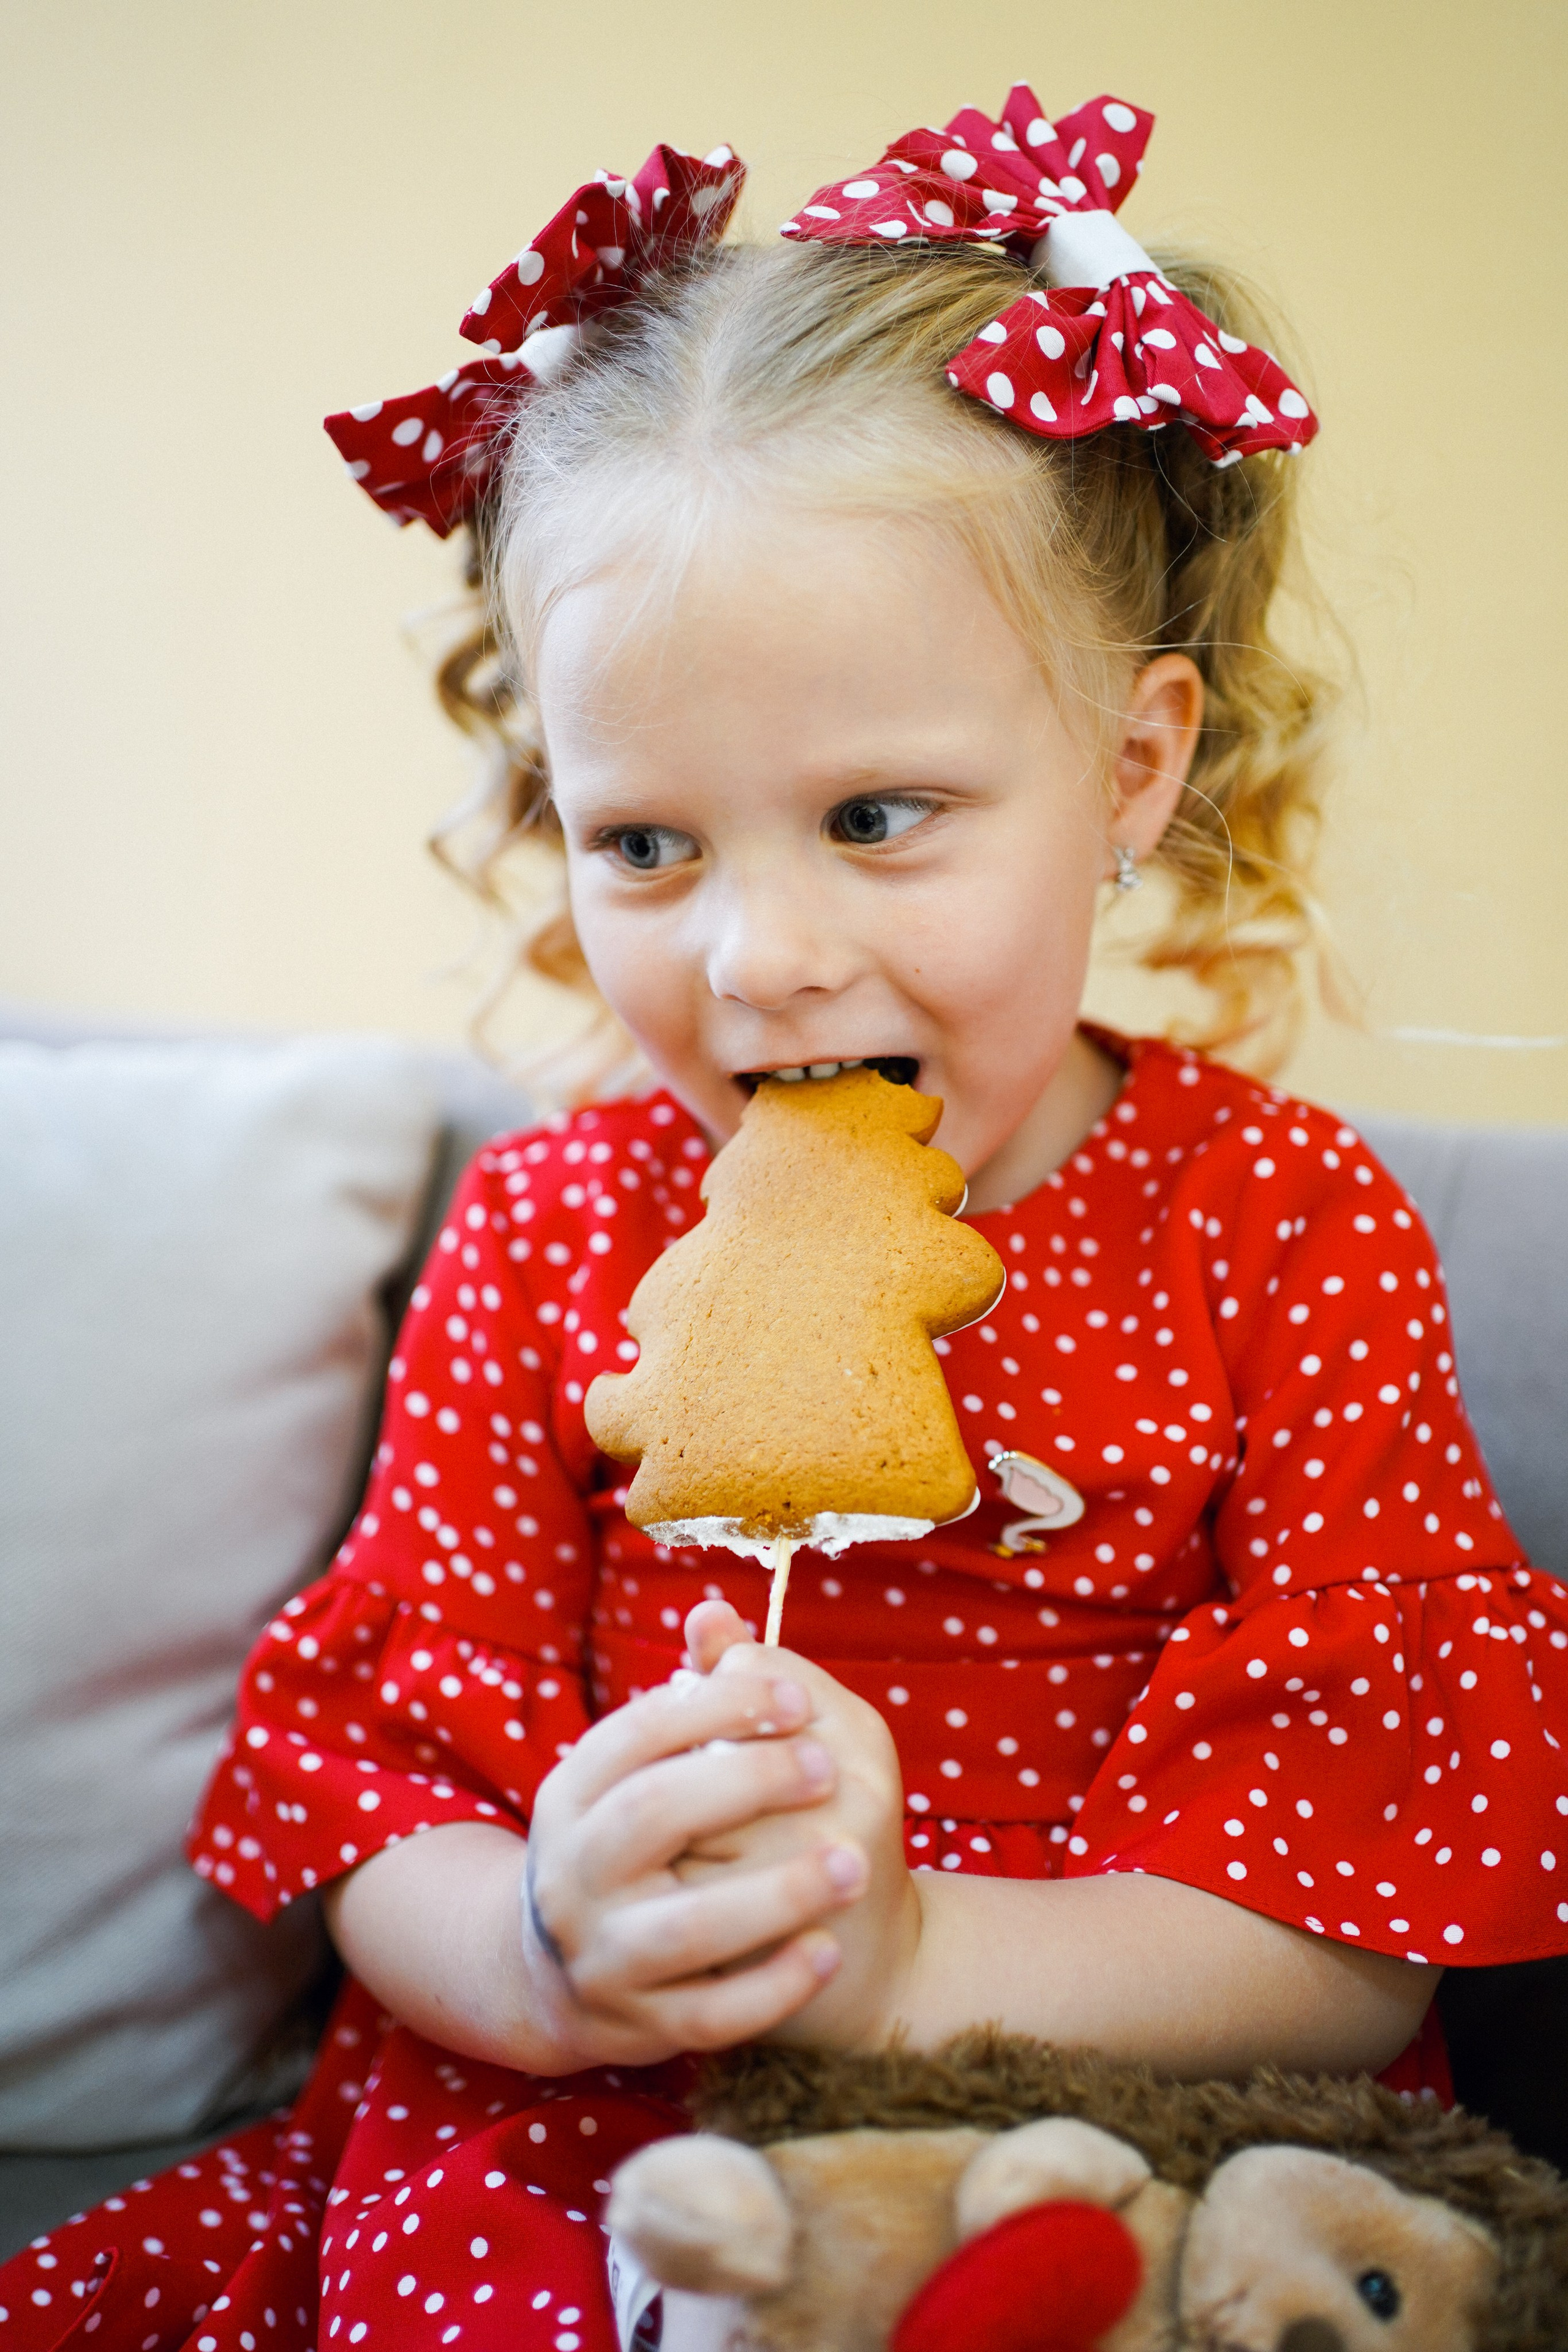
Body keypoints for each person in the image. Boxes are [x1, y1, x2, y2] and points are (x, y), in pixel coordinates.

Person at [7, 82, 1565, 2352]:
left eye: (878, 813)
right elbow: (373, 1804)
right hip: (600, 2120)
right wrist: (542, 1949)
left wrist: (913, 1960)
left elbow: (1363, 1914)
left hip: (1129, 2105)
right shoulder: (552, 1236)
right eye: (645, 840)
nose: (754, 955)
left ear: (1132, 769)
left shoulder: (1282, 1228)